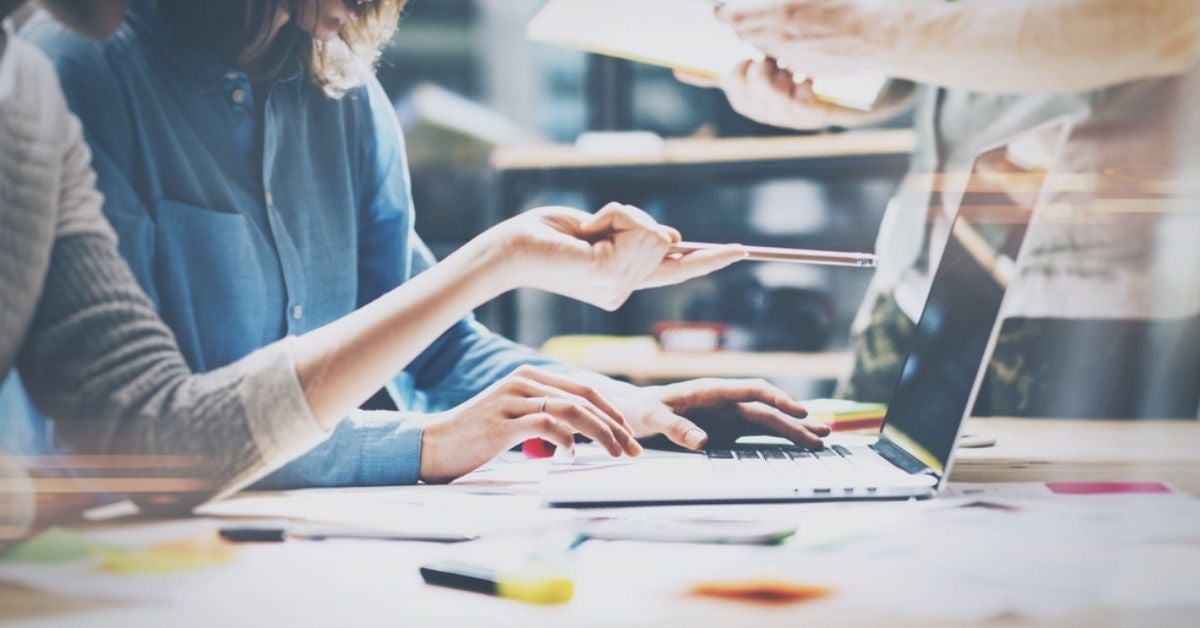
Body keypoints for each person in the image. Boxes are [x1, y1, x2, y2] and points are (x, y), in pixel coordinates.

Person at [1, 0, 828, 520]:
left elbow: (433, 345)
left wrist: (626, 409)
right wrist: (425, 442)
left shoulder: (341, 93)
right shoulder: (68, 73)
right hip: (117, 550)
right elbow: (130, 437)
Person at [684, 0, 1200, 418]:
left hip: (1086, 298)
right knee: (853, 518)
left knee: (1062, 542)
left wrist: (869, 31)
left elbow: (1168, 21)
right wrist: (828, 86)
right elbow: (945, 49)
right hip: (913, 278)